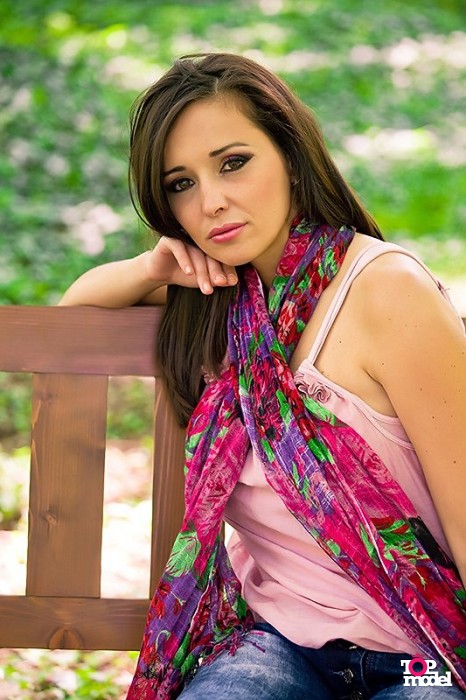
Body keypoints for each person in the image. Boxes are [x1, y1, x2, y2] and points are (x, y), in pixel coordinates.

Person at [60, 53, 466, 699]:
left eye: (233, 162)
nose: (211, 202)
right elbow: (74, 314)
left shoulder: (386, 292)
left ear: (291, 154)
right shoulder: (220, 300)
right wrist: (150, 269)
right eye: (180, 183)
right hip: (279, 645)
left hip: (422, 655)